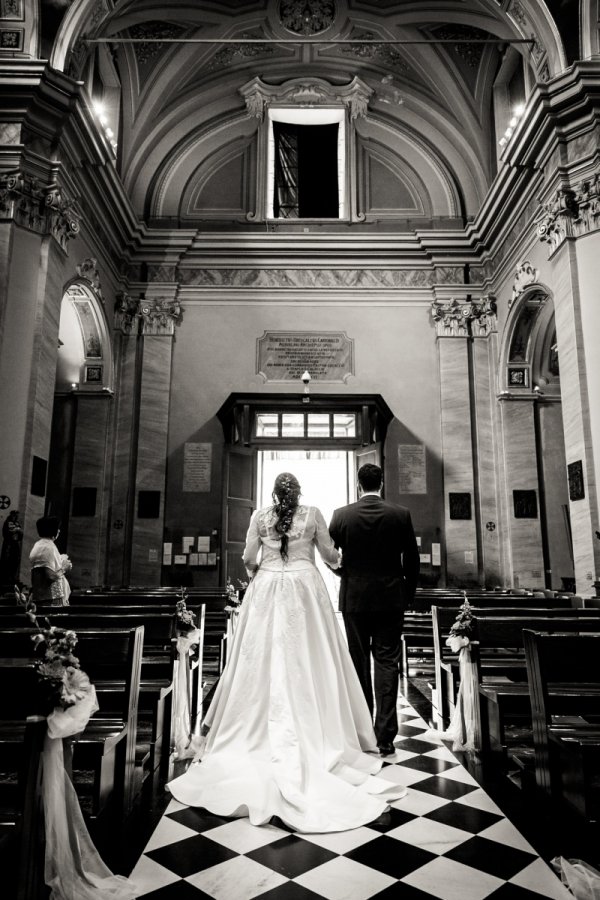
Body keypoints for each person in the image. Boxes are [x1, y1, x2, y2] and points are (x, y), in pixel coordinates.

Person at [168, 472, 406, 833]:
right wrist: (333, 562)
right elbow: (330, 553)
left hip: (266, 587)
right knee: (311, 657)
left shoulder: (260, 517)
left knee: (257, 658)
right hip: (304, 587)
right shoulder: (311, 514)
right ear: (299, 492)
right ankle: (325, 728)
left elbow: (249, 556)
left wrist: (264, 568)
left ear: (274, 494)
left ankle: (250, 728)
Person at [329, 463, 420, 757]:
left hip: (355, 599)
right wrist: (407, 594)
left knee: (358, 663)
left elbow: (331, 557)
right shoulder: (400, 514)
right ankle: (386, 737)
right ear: (382, 483)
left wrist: (346, 577)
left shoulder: (342, 516)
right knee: (387, 663)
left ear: (358, 485)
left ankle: (363, 731)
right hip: (390, 598)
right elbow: (412, 560)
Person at [29, 515, 72, 606]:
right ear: (52, 530)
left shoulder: (40, 545)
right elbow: (51, 576)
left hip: (45, 596)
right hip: (50, 598)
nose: (59, 531)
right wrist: (64, 568)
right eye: (57, 528)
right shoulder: (47, 547)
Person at [0, 509, 23, 587]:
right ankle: (6, 578)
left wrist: (19, 532)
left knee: (15, 560)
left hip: (15, 544)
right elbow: (6, 533)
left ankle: (13, 577)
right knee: (7, 560)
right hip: (9, 544)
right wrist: (14, 531)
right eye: (14, 515)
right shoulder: (7, 523)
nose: (15, 516)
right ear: (11, 515)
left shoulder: (17, 523)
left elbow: (20, 534)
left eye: (16, 515)